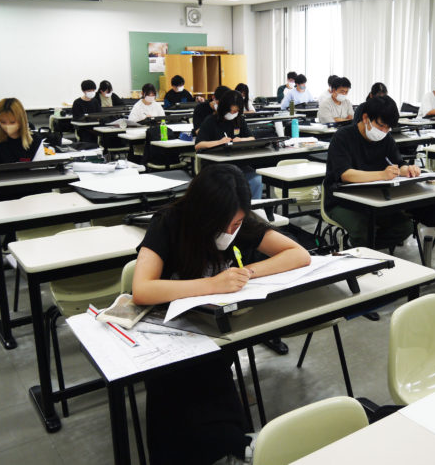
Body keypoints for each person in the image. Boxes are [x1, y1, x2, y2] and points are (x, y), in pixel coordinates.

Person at [132, 163, 310, 465]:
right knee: (179, 394)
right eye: (225, 224)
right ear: (203, 214)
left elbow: (299, 254)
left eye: (237, 224)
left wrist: (248, 272)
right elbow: (142, 289)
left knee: (215, 371)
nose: (231, 232)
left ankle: (228, 443)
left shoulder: (238, 220)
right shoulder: (169, 222)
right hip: (170, 337)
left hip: (216, 332)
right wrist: (211, 284)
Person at [324, 96, 420, 248]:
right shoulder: (343, 137)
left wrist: (407, 170)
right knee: (362, 229)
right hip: (342, 201)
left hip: (375, 198)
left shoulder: (386, 139)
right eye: (381, 125)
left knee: (404, 227)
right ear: (365, 117)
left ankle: (360, 247)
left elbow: (398, 164)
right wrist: (382, 174)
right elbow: (346, 174)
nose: (383, 131)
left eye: (388, 128)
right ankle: (361, 248)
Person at [195, 90, 263, 199]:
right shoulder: (210, 121)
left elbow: (252, 138)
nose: (232, 114)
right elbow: (198, 145)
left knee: (256, 179)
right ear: (223, 108)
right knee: (229, 184)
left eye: (235, 111)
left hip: (238, 163)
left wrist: (240, 140)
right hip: (216, 166)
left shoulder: (239, 120)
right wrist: (219, 142)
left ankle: (252, 212)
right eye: (230, 111)